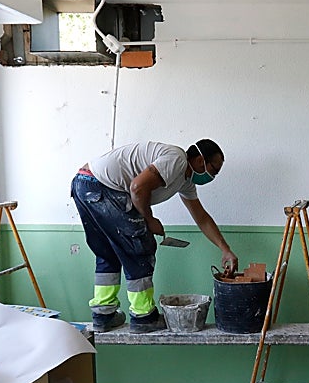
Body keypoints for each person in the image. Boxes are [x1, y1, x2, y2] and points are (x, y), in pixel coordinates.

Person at [71, 139, 238, 333]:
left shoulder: (185, 181)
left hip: (84, 183)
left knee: (108, 253)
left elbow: (201, 217)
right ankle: (143, 316)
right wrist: (149, 220)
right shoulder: (177, 159)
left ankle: (103, 314)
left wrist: (225, 250)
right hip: (102, 187)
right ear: (201, 160)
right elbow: (137, 187)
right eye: (214, 170)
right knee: (141, 248)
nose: (213, 176)